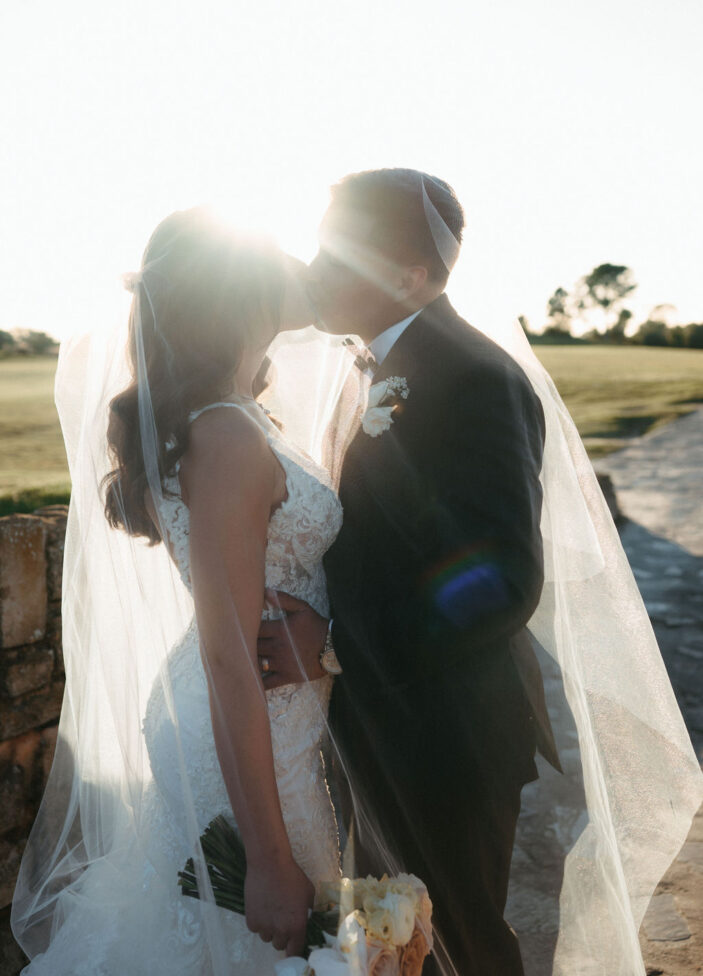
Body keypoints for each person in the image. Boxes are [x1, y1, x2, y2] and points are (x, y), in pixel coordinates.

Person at [256, 168, 703, 976]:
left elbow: (499, 579)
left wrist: (334, 639)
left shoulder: (473, 378)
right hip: (383, 713)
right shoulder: (374, 362)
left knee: (459, 941)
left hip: (445, 728)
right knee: (398, 941)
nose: (315, 268)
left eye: (339, 253)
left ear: (412, 276)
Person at [11, 208, 344, 974]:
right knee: (258, 933)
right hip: (241, 716)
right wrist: (263, 858)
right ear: (237, 290)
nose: (302, 269)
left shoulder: (241, 414)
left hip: (270, 712)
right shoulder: (224, 434)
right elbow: (227, 650)